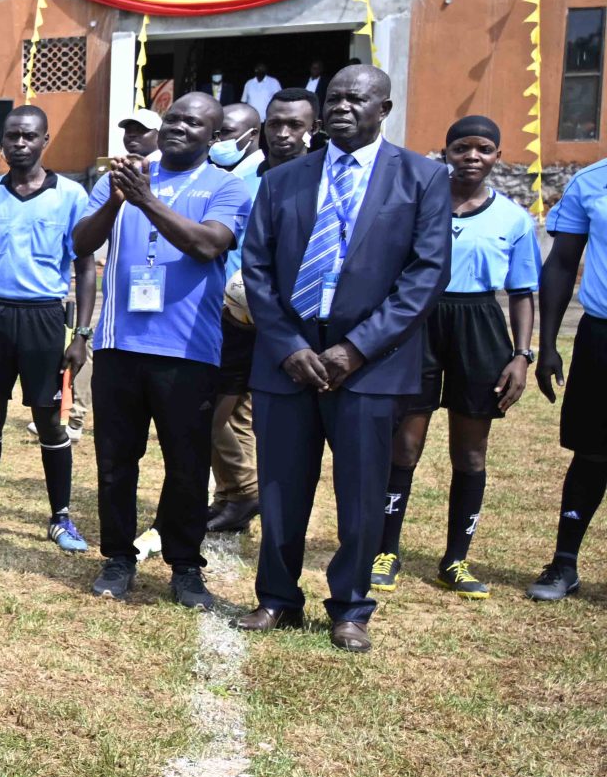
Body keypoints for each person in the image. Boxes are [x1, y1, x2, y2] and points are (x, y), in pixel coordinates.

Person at [237, 65, 447, 652]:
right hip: (290, 361)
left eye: (358, 99)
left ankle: (351, 607)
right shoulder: (283, 181)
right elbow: (255, 267)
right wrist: (289, 346)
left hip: (371, 364)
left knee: (360, 491)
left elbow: (426, 274)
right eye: (335, 98)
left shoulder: (422, 177)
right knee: (281, 485)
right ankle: (277, 597)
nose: (343, 108)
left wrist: (356, 348)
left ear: (385, 108)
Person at [74, 92, 250, 607]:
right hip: (119, 345)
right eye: (173, 118)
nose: (179, 127)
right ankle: (118, 558)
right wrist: (114, 199)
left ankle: (185, 566)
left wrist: (147, 200)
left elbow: (207, 245)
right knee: (115, 461)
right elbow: (82, 244)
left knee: (187, 464)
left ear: (214, 137)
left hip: (187, 349)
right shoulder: (123, 177)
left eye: (194, 123)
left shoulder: (226, 186)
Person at [376, 117, 537, 598]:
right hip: (419, 319)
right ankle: (386, 551)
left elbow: (523, 291)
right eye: (462, 147)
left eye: (484, 149)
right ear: (443, 151)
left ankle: (456, 560)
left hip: (479, 325)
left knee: (469, 451)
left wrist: (521, 355)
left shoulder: (513, 219)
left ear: (497, 157)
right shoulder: (417, 204)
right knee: (404, 444)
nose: (472, 157)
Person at [0, 106, 93, 551]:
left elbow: (85, 269)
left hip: (45, 317)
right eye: (11, 136)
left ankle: (61, 517)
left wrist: (80, 334)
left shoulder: (71, 196)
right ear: (2, 141)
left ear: (46, 140)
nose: (19, 144)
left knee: (49, 421)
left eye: (29, 136)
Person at [208, 88, 319, 534]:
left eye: (295, 125)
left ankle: (245, 496)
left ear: (313, 131)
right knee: (219, 413)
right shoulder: (241, 179)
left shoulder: (321, 180)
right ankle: (237, 495)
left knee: (255, 419)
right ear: (264, 131)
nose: (285, 134)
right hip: (235, 316)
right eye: (278, 124)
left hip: (291, 322)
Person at [528, 153, 607, 602]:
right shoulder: (592, 182)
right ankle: (565, 563)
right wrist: (549, 342)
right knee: (592, 454)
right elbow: (560, 263)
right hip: (602, 337)